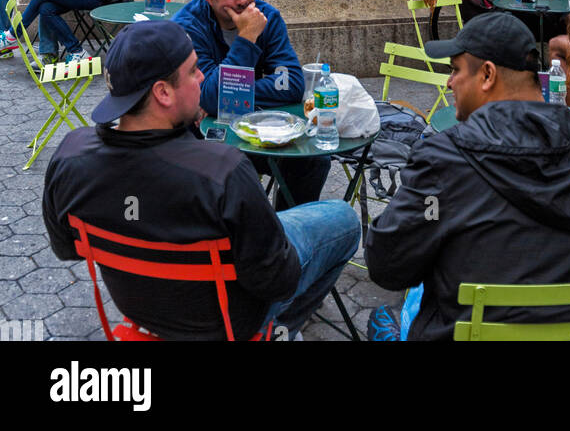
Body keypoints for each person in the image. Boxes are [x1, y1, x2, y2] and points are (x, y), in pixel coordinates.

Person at [42, 21, 360, 341]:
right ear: (163, 93)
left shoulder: (69, 156)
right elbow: (278, 281)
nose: (203, 78)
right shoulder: (224, 170)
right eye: (193, 71)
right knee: (343, 219)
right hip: (230, 320)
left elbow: (69, 250)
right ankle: (282, 329)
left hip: (139, 308)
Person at [364, 13, 570, 341]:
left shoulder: (443, 160)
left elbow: (387, 265)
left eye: (455, 69)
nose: (450, 83)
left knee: (384, 317)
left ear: (487, 74)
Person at [173, 0, 328, 206]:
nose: (242, 0)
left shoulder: (268, 16)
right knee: (235, 168)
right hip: (201, 136)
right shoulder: (189, 25)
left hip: (254, 129)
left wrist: (229, 93)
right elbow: (210, 97)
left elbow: (291, 84)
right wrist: (246, 38)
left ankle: (287, 233)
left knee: (313, 160)